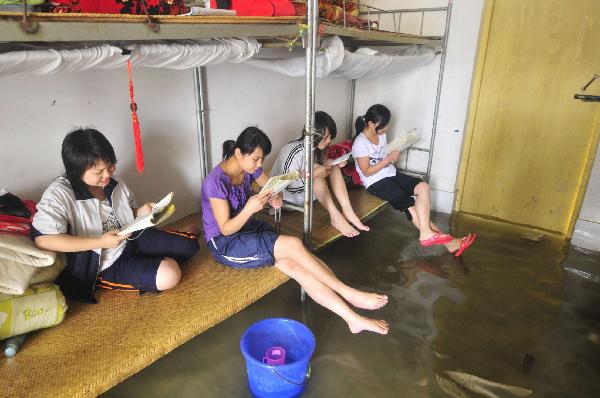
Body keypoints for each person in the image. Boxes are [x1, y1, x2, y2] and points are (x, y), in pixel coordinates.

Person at [201, 126, 389, 335]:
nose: (259, 165)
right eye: (256, 159)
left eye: (261, 159)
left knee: (297, 267)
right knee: (294, 244)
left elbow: (271, 186)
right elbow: (226, 229)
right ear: (238, 153)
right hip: (226, 242)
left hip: (248, 228)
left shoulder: (250, 167)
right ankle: (349, 293)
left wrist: (274, 197)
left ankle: (352, 319)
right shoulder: (215, 182)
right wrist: (249, 209)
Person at [32, 128, 200, 302]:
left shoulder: (115, 182)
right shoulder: (59, 193)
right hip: (106, 262)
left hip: (133, 238)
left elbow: (128, 213)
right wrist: (100, 242)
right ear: (76, 171)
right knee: (171, 275)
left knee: (190, 246)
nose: (107, 175)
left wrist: (141, 212)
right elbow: (43, 240)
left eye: (110, 166)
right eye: (99, 172)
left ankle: (169, 246)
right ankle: (162, 255)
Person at [352, 104, 476, 256]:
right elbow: (367, 171)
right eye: (384, 125)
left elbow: (382, 157)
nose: (387, 128)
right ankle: (446, 242)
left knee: (423, 186)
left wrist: (391, 158)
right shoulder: (360, 143)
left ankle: (429, 234)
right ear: (371, 124)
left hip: (389, 173)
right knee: (409, 203)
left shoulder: (381, 135)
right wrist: (388, 159)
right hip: (375, 182)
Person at [271, 111, 369, 237]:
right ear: (313, 133)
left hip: (309, 195)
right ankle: (336, 217)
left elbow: (321, 167)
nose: (329, 141)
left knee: (331, 166)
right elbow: (285, 183)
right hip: (288, 198)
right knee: (317, 173)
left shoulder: (317, 147)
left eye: (330, 137)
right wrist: (312, 173)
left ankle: (347, 210)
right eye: (326, 137)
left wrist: (333, 163)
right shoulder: (292, 150)